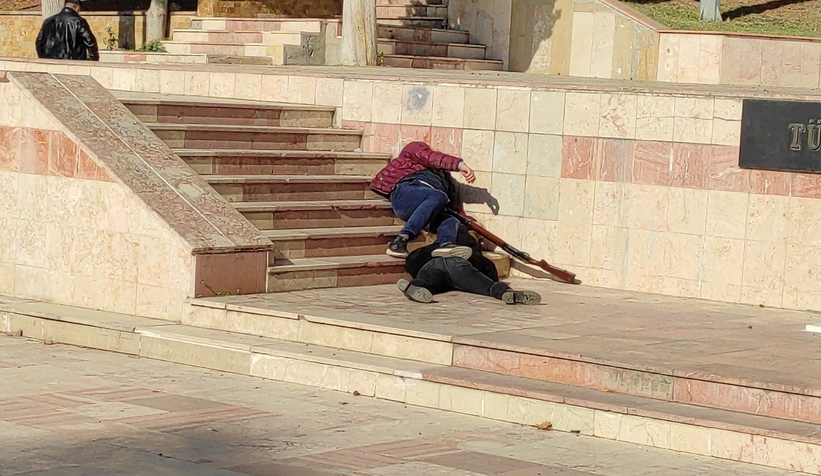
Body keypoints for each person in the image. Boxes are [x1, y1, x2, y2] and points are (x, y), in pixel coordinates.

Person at [370, 141, 476, 259]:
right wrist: (459, 164)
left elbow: (454, 209)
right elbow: (430, 156)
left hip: (426, 209)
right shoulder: (414, 150)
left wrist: (470, 222)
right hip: (407, 192)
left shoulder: (446, 180)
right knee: (438, 196)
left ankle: (446, 245)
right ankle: (400, 240)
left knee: (451, 220)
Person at [397, 224, 542, 305]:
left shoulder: (424, 249)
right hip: (460, 266)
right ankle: (506, 292)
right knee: (488, 286)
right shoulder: (468, 243)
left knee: (427, 281)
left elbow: (412, 262)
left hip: (432, 265)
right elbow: (490, 271)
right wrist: (475, 262)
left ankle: (415, 287)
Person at [36, 1, 100, 62]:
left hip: (52, 62)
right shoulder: (79, 21)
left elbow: (39, 42)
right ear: (77, 8)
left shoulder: (48, 21)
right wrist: (93, 60)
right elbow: (90, 42)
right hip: (75, 63)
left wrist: (43, 58)